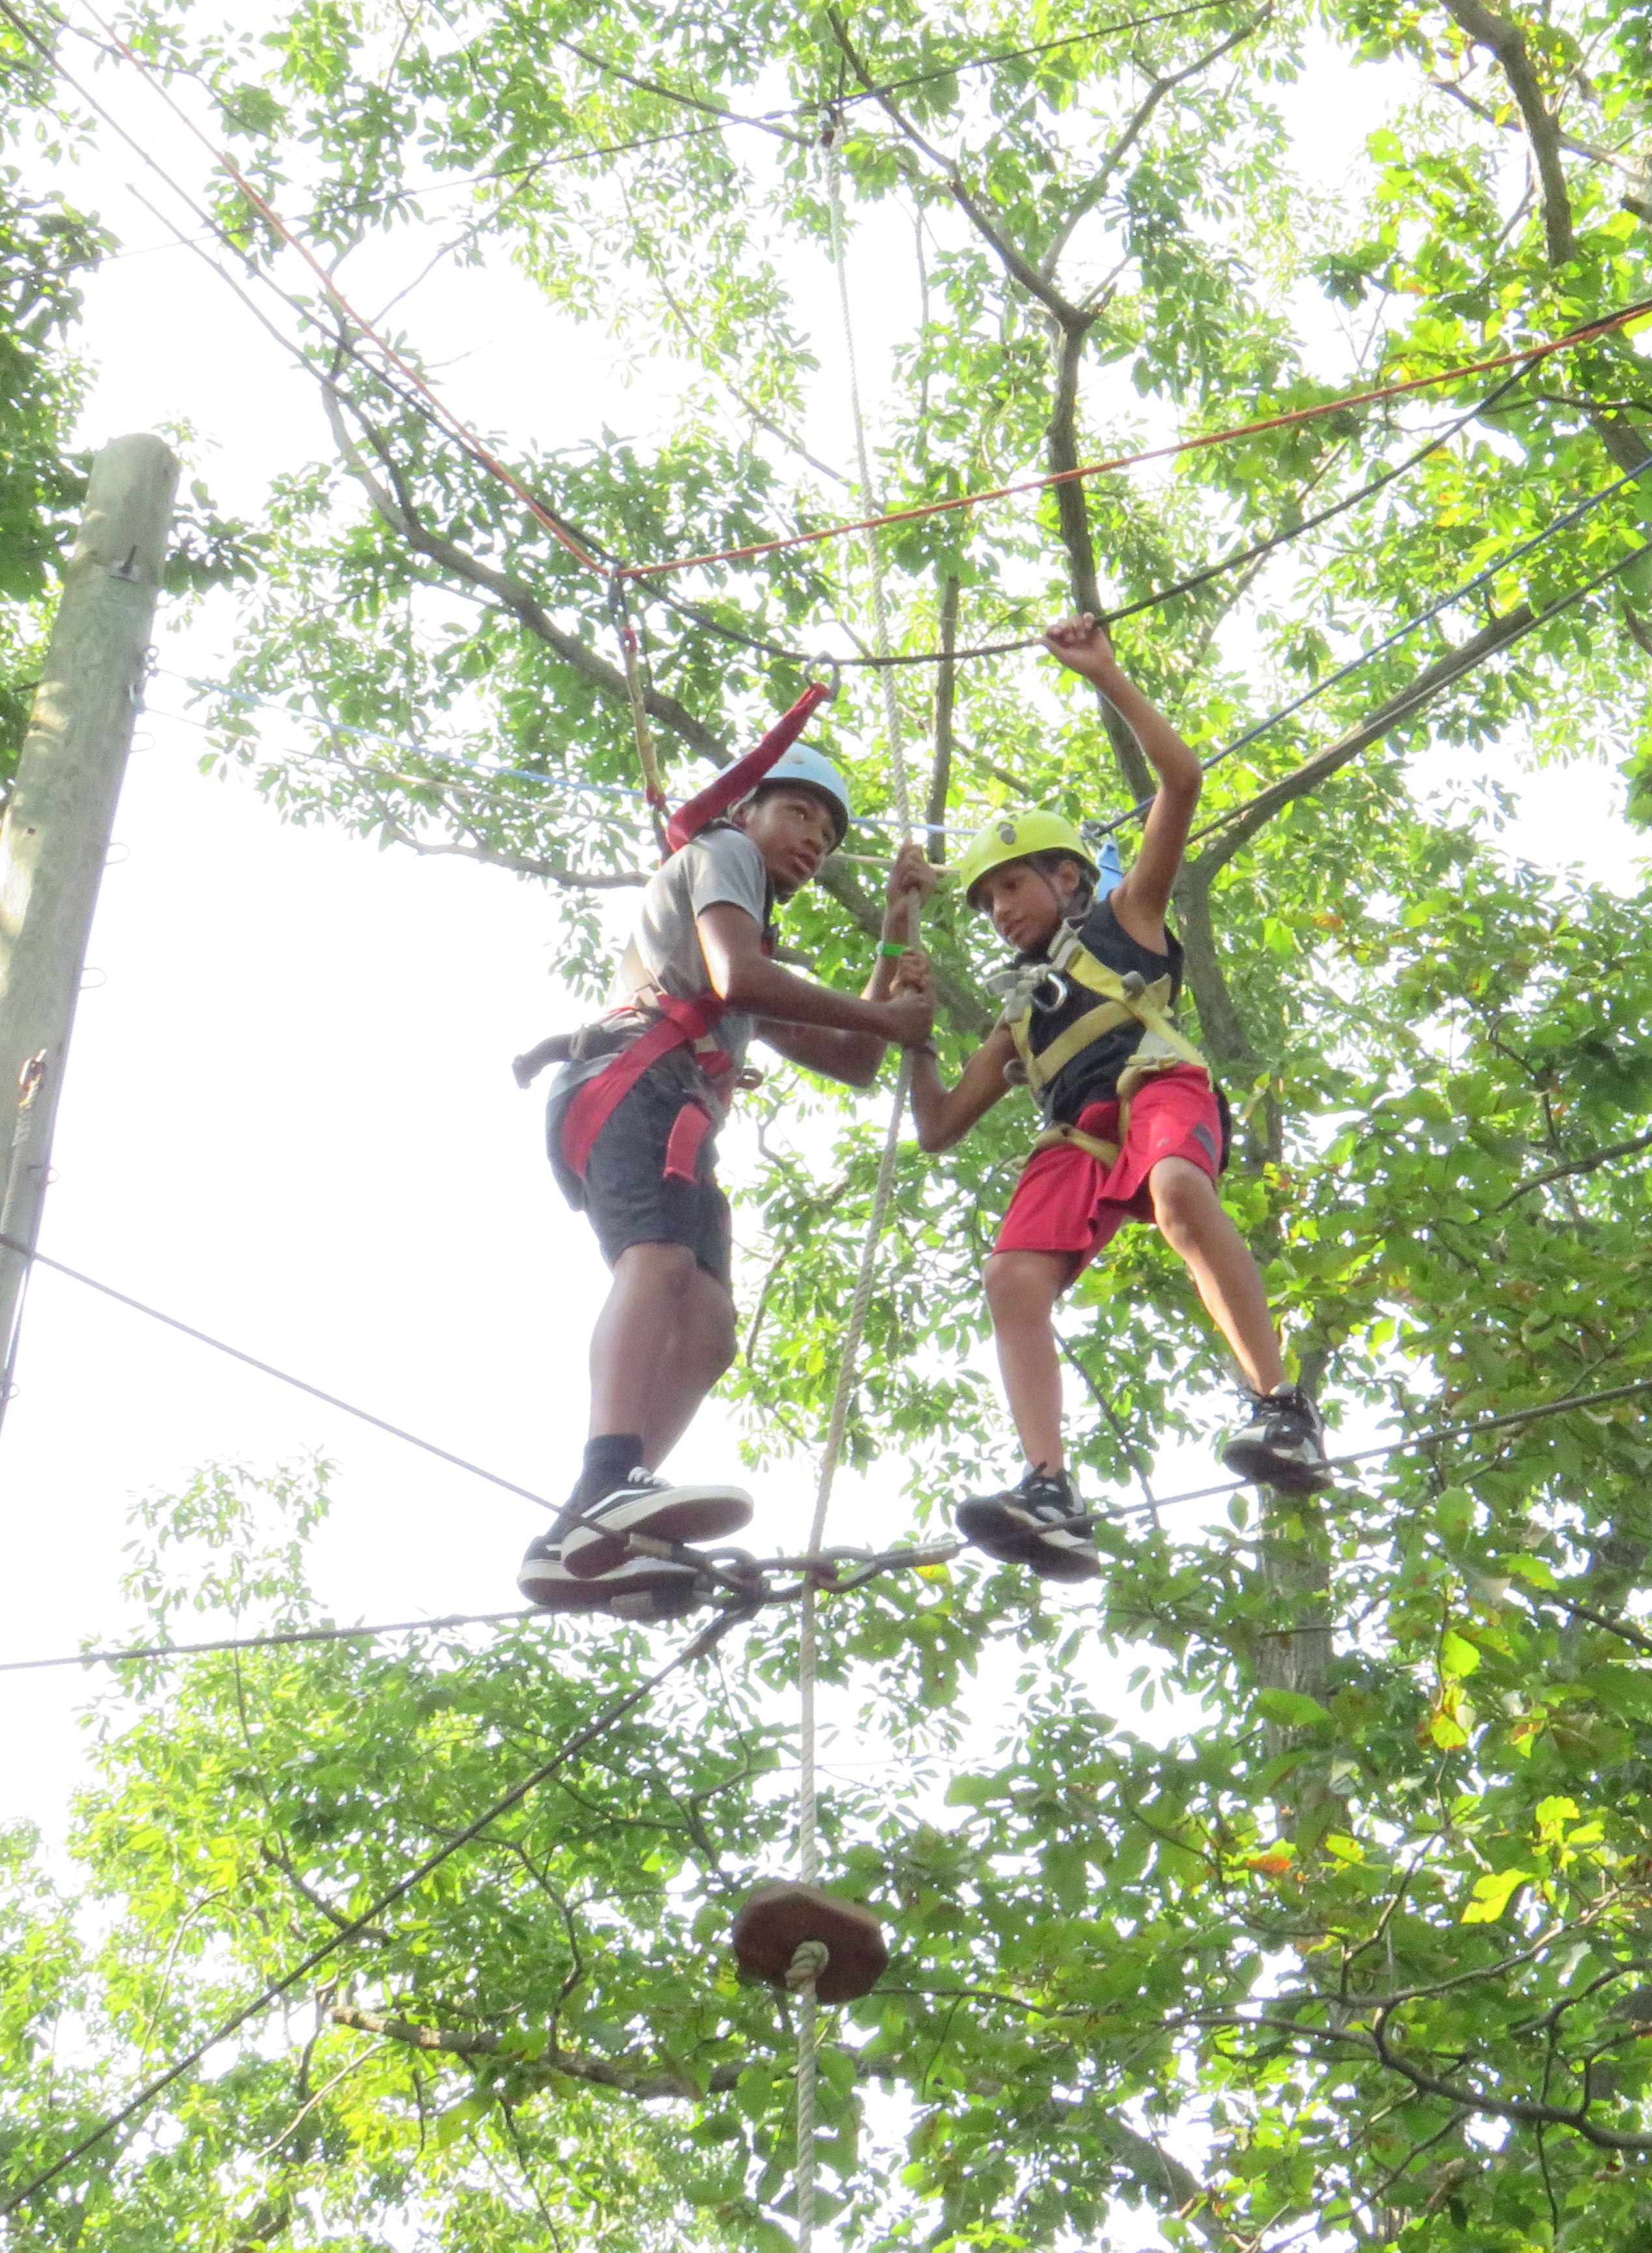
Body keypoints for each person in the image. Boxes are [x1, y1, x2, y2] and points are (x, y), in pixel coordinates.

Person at [885, 616, 1327, 1578]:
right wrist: (913, 1027)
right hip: (1075, 1141)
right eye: (987, 899)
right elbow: (938, 1127)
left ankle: (1280, 1406)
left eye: (1012, 886)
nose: (1000, 910)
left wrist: (1107, 676)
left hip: (1155, 1086)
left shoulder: (1129, 917)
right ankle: (1048, 1486)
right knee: (1011, 1279)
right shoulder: (1020, 1012)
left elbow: (1182, 784)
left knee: (1176, 1190)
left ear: (1069, 875)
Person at [517, 740, 934, 1619]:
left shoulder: (746, 937)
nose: (814, 839)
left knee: (706, 1331)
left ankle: (587, 1535)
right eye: (800, 814)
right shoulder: (723, 856)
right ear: (750, 813)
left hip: (674, 1115)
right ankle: (608, 1482)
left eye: (827, 831)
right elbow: (743, 977)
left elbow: (854, 1058)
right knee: (660, 1264)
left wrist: (898, 925)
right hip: (633, 1086)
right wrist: (886, 1016)